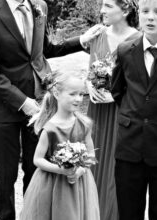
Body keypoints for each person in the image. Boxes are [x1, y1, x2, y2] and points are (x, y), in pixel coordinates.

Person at [0, 0, 100, 219]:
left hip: (43, 103)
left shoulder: (40, 6)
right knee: (5, 176)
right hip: (7, 108)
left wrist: (81, 40)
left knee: (37, 171)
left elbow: (47, 50)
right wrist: (23, 102)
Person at [111, 0, 157, 220]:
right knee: (129, 212)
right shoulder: (125, 51)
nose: (150, 17)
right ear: (138, 14)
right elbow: (118, 91)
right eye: (145, 11)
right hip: (130, 147)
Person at [86, 0, 141, 220]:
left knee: (115, 172)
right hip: (96, 113)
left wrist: (117, 94)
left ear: (126, 10)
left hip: (121, 114)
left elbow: (142, 84)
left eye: (108, 6)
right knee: (92, 163)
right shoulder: (98, 35)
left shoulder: (139, 40)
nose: (102, 10)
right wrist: (89, 86)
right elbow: (90, 73)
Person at [20, 70, 99, 220]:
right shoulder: (50, 128)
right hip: (52, 184)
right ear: (56, 94)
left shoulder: (84, 124)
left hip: (79, 183)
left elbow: (91, 154)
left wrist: (80, 170)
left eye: (81, 94)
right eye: (72, 94)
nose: (78, 99)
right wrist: (62, 170)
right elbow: (37, 160)